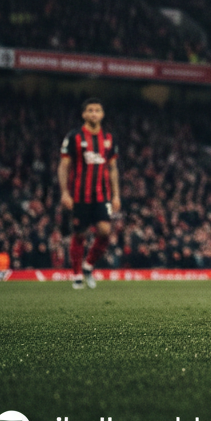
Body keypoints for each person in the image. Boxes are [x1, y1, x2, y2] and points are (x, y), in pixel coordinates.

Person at [58, 98, 120, 289]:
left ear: (102, 114)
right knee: (80, 234)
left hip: (102, 195)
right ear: (84, 114)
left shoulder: (109, 138)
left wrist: (116, 195)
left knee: (105, 231)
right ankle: (76, 275)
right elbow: (64, 166)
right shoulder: (74, 137)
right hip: (79, 195)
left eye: (98, 110)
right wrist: (64, 193)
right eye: (90, 110)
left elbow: (113, 168)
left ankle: (88, 265)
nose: (94, 113)